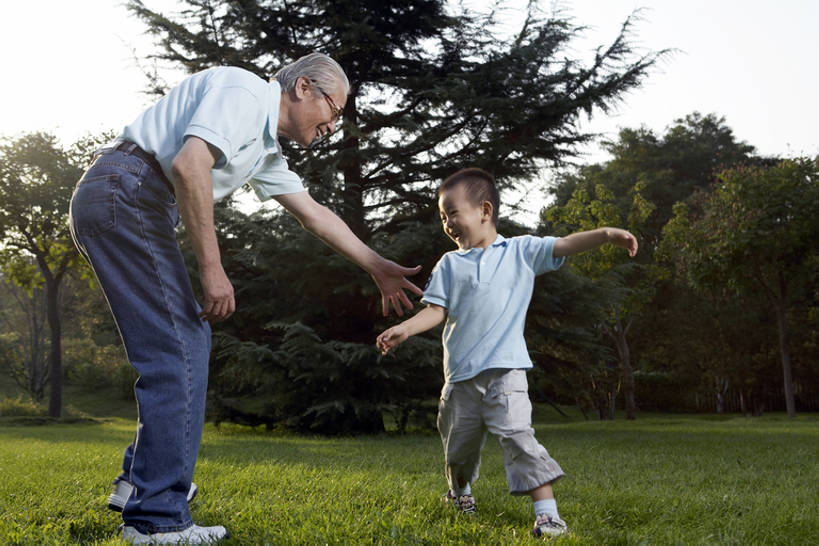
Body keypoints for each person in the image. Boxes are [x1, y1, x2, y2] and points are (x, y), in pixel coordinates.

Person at [69, 53, 422, 544]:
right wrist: (213, 269)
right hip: (129, 193)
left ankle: (140, 483)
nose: (333, 126)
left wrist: (376, 265)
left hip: (126, 196)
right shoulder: (244, 91)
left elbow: (314, 214)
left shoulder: (263, 149)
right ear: (303, 87)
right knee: (178, 350)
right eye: (334, 110)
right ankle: (155, 519)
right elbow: (189, 165)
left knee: (180, 346)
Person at [376, 167, 638, 538]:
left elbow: (564, 245)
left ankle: (548, 515)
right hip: (461, 379)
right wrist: (404, 328)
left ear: (484, 210)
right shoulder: (449, 264)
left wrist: (606, 235)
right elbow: (435, 311)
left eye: (453, 213)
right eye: (442, 216)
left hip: (507, 373)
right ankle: (460, 494)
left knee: (518, 436)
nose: (447, 223)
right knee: (458, 452)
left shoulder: (521, 251)